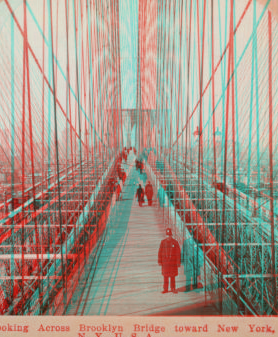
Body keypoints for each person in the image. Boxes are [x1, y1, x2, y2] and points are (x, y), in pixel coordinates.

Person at [158, 228, 181, 294]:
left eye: (169, 235)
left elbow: (178, 252)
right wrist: (160, 261)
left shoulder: (175, 242)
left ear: (171, 235)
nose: (168, 236)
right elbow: (160, 252)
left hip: (172, 263)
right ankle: (165, 289)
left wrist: (178, 262)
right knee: (165, 276)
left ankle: (173, 288)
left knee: (172, 276)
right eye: (167, 235)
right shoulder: (163, 242)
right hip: (165, 263)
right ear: (166, 235)